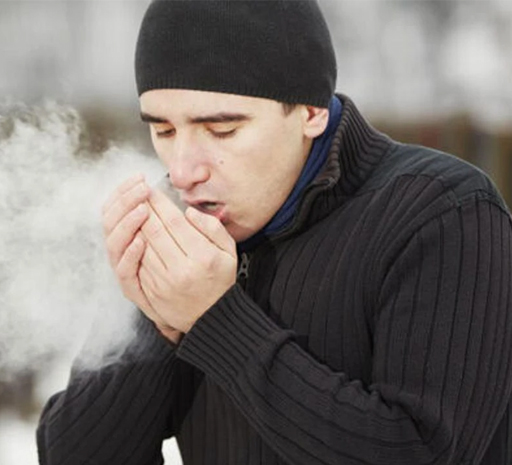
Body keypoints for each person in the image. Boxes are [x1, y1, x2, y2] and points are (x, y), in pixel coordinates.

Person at [37, 1, 512, 464]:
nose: (183, 170)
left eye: (221, 130)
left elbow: (421, 452)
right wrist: (153, 317)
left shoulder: (442, 213)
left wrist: (215, 319)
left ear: (311, 112)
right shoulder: (177, 229)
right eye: (163, 131)